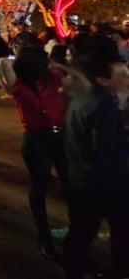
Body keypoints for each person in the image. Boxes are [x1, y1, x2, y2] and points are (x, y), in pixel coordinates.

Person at [63, 34, 129, 279]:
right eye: (120, 70)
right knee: (118, 234)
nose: (125, 72)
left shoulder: (85, 97)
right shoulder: (103, 105)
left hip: (83, 182)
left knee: (80, 234)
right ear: (103, 78)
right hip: (104, 185)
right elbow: (106, 151)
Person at [0, 46, 68, 261]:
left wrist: (58, 64)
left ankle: (76, 230)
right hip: (36, 139)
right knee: (39, 186)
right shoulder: (21, 86)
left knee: (68, 182)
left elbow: (77, 76)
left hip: (59, 135)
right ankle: (44, 236)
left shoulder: (54, 77)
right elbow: (2, 63)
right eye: (43, 60)